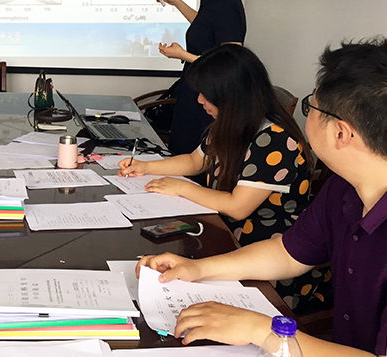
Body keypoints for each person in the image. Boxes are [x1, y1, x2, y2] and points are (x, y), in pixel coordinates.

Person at [135, 37, 387, 357]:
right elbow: (288, 253)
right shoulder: (343, 187)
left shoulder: (278, 141)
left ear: (341, 133)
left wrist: (258, 329)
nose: (305, 116)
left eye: (310, 106)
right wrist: (198, 269)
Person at [119, 44, 325, 311]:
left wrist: (181, 188)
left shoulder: (275, 140)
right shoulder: (230, 125)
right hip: (221, 235)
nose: (199, 100)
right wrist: (145, 167)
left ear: (231, 96)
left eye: (206, 94)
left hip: (263, 255)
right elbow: (195, 161)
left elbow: (238, 207)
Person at [152, 0, 253, 156]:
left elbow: (229, 63)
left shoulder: (226, 3)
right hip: (195, 91)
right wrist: (175, 2)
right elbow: (205, 28)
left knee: (191, 159)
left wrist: (182, 55)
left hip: (208, 99)